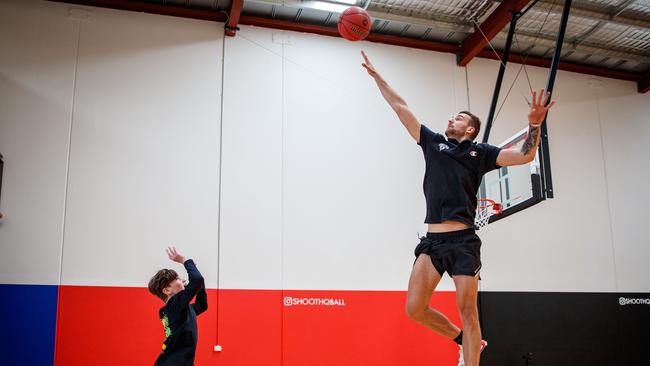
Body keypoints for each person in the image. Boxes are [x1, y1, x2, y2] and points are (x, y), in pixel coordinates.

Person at [361, 50, 554, 366]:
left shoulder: (481, 154)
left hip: (463, 241)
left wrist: (534, 124)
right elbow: (401, 107)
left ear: (470, 130)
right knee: (414, 308)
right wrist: (377, 76)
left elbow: (524, 155)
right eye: (453, 116)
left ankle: (472, 355)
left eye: (459, 117)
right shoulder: (432, 144)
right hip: (432, 242)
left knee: (468, 311)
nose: (452, 118)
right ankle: (464, 342)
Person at [148, 246, 208, 366]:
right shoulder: (174, 305)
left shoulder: (175, 310)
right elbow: (197, 280)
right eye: (177, 279)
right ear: (166, 290)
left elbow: (202, 305)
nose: (181, 280)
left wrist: (200, 283)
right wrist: (183, 260)